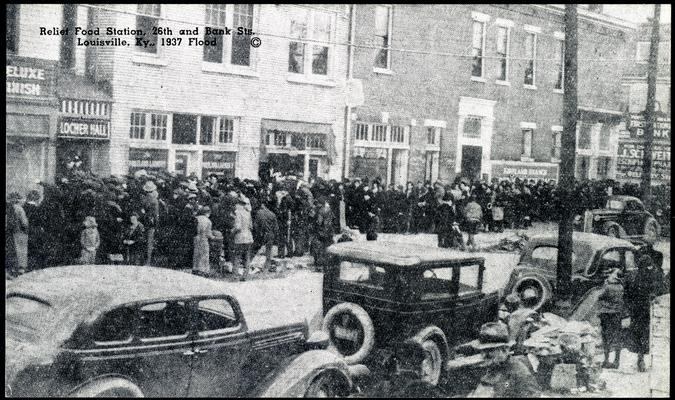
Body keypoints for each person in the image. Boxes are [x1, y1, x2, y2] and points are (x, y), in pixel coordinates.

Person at [466, 322, 542, 398]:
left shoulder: (518, 371)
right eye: (483, 350)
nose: (485, 354)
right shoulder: (492, 366)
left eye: (490, 350)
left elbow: (534, 394)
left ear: (504, 350)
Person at [625, 254, 662, 372]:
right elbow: (657, 291)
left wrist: (629, 307)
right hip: (645, 310)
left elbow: (626, 294)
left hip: (635, 310)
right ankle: (641, 358)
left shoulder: (632, 276)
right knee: (645, 334)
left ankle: (640, 357)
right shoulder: (650, 277)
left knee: (637, 333)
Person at [597, 268, 624, 369]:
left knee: (606, 337)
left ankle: (606, 360)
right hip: (617, 313)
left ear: (614, 275)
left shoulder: (608, 286)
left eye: (611, 273)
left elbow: (600, 296)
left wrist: (605, 284)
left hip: (606, 313)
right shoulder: (621, 286)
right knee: (617, 336)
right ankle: (616, 361)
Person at [232, 193, 254, 281]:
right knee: (247, 256)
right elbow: (251, 226)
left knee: (237, 256)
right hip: (248, 236)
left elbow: (237, 227)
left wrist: (232, 232)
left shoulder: (238, 213)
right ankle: (245, 275)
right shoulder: (248, 213)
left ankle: (236, 275)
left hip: (240, 237)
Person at [7, 192, 29, 276]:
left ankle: (11, 268)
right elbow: (24, 222)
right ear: (17, 199)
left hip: (9, 231)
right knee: (21, 249)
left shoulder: (8, 208)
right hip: (19, 231)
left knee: (12, 249)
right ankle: (21, 268)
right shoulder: (19, 208)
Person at [253, 202, 279, 272]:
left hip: (260, 234)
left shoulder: (259, 213)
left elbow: (255, 225)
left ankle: (255, 265)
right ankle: (266, 267)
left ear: (263, 205)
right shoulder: (272, 214)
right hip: (270, 234)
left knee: (257, 251)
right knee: (268, 251)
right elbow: (276, 228)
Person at [141, 180, 160, 266]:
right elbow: (156, 214)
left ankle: (142, 259)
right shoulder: (154, 200)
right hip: (151, 223)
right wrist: (157, 224)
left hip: (143, 221)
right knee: (149, 241)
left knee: (143, 241)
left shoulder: (143, 199)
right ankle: (148, 261)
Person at [193, 206, 216, 276]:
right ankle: (204, 271)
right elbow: (208, 233)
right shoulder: (208, 221)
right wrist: (213, 237)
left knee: (196, 253)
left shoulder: (197, 218)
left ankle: (195, 269)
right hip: (203, 238)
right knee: (204, 254)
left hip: (196, 237)